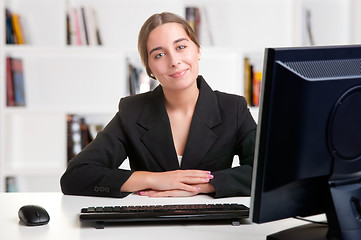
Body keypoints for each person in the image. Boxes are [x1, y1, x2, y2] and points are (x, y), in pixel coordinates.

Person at [60, 12, 257, 198]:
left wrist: (202, 187)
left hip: (215, 226)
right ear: (149, 69)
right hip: (151, 223)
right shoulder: (132, 111)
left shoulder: (233, 108)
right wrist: (155, 179)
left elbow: (269, 171)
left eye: (180, 47)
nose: (174, 61)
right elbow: (75, 176)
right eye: (159, 55)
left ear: (197, 50)